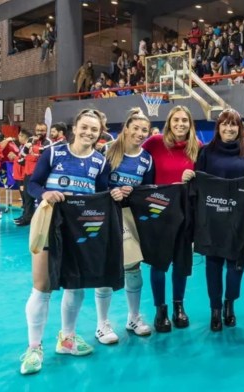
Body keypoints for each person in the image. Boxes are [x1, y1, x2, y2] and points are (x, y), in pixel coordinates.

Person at [20, 109, 115, 375]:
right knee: (42, 286)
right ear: (75, 128)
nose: (88, 133)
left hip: (82, 227)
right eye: (84, 127)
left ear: (99, 134)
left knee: (76, 285)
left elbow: (102, 194)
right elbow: (33, 184)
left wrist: (114, 193)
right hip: (49, 222)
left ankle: (68, 339)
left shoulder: (100, 162)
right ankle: (34, 347)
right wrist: (46, 193)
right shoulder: (53, 153)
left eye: (94, 130)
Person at [190, 109, 244, 331]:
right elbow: (197, 183)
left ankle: (230, 304)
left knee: (235, 267)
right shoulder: (206, 153)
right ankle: (215, 309)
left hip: (240, 220)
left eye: (233, 125)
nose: (229, 129)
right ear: (218, 127)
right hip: (212, 220)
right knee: (213, 266)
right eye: (224, 124)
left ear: (240, 128)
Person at [94, 108, 155, 344]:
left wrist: (134, 191)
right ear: (126, 129)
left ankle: (133, 318)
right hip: (107, 217)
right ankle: (102, 324)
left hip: (131, 217)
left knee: (133, 268)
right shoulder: (107, 154)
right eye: (137, 129)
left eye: (145, 130)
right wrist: (111, 192)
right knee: (106, 268)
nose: (140, 133)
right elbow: (96, 186)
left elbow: (149, 189)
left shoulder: (146, 159)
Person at [142, 106, 202, 332]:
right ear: (169, 123)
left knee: (181, 263)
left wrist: (194, 177)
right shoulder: (154, 143)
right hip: (158, 213)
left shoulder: (197, 148)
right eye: (176, 120)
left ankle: (179, 307)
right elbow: (132, 155)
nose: (180, 124)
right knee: (158, 264)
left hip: (185, 214)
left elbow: (204, 180)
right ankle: (161, 310)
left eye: (184, 120)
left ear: (190, 124)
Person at [15, 123, 49, 226]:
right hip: (27, 173)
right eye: (38, 130)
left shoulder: (47, 143)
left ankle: (40, 221)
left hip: (39, 176)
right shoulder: (30, 141)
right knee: (27, 197)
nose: (39, 132)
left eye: (42, 130)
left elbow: (45, 159)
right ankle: (26, 217)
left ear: (45, 131)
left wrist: (34, 153)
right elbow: (22, 159)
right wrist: (27, 149)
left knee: (40, 199)